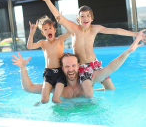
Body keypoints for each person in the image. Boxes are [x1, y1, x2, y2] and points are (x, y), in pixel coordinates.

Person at [34, 0, 146, 98]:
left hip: (95, 63)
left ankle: (96, 89)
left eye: (88, 16)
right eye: (82, 16)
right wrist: (47, 0)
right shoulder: (74, 28)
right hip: (82, 66)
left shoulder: (95, 29)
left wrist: (136, 34)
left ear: (91, 18)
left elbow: (116, 30)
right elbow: (58, 15)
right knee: (88, 94)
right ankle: (89, 91)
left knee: (111, 89)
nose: (85, 18)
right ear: (78, 19)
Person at [12, 30, 145, 99]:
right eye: (67, 67)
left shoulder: (88, 80)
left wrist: (128, 51)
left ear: (79, 66)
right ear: (62, 68)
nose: (71, 69)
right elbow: (28, 88)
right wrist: (23, 69)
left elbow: (110, 67)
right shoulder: (56, 87)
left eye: (73, 66)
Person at [27, 15, 71, 103]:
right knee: (44, 100)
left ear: (54, 30)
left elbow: (71, 31)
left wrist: (61, 22)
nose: (48, 30)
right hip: (48, 73)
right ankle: (44, 96)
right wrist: (32, 33)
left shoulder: (60, 39)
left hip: (60, 73)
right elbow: (29, 46)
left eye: (50, 28)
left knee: (55, 99)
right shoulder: (43, 43)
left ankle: (68, 106)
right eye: (45, 29)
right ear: (43, 33)